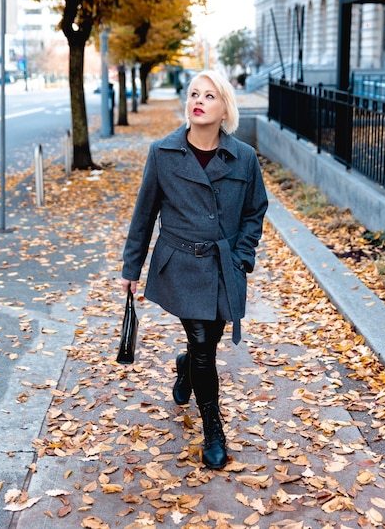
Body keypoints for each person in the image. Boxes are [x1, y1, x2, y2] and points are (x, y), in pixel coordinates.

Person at [121, 69, 268, 470]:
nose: (198, 100)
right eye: (193, 94)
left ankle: (186, 368)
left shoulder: (244, 158)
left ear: (224, 109)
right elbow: (144, 214)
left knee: (208, 340)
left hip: (224, 267)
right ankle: (213, 428)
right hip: (181, 265)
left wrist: (242, 257)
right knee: (204, 342)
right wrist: (131, 266)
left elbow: (255, 211)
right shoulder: (163, 153)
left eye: (209, 95)